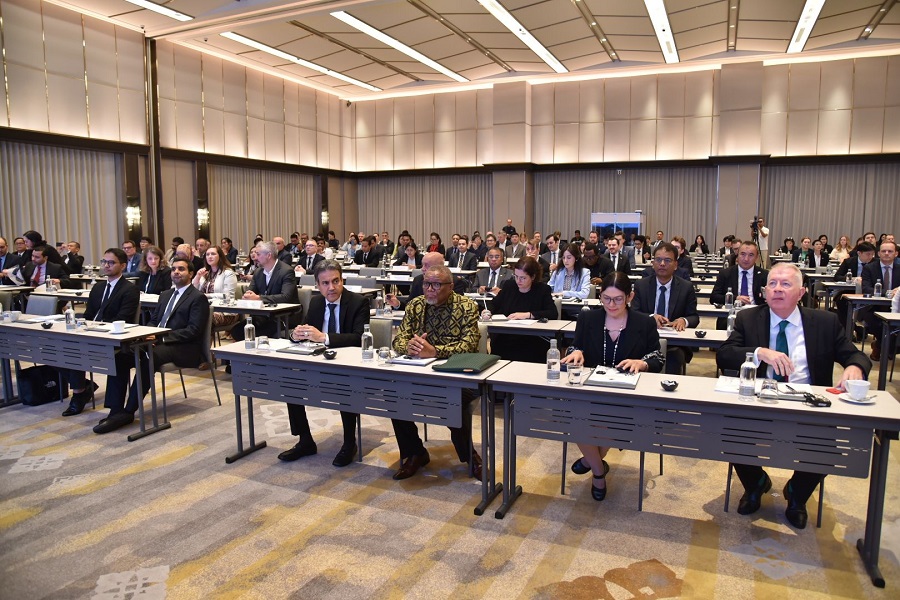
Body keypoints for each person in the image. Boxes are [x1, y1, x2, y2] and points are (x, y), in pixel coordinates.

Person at [717, 262, 870, 529]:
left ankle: (797, 493)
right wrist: (760, 353)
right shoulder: (748, 318)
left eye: (786, 284)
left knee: (827, 446)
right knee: (730, 431)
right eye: (772, 284)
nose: (777, 289)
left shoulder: (824, 322)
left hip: (808, 403)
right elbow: (725, 354)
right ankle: (755, 484)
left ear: (801, 293)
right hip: (759, 400)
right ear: (764, 292)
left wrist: (855, 367)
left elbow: (855, 355)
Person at [562, 272, 664, 501]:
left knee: (609, 419)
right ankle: (599, 470)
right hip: (591, 389)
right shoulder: (588, 318)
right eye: (606, 298)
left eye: (618, 299)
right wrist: (576, 352)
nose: (611, 304)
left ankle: (591, 463)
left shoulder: (644, 322)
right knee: (576, 416)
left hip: (626, 394)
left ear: (630, 297)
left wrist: (642, 363)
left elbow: (658, 357)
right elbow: (575, 346)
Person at [94, 257, 210, 434]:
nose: (176, 272)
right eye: (173, 269)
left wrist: (160, 337)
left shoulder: (197, 297)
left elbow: (193, 331)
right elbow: (154, 320)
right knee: (121, 355)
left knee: (148, 357)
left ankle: (129, 411)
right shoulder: (165, 295)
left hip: (184, 347)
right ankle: (115, 409)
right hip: (156, 342)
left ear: (191, 273)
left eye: (181, 269)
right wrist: (146, 334)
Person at [389, 266, 482, 481]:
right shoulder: (415, 305)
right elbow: (398, 340)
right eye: (426, 284)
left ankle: (470, 456)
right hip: (421, 373)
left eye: (436, 285)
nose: (429, 289)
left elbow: (469, 345)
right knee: (395, 395)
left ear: (450, 287)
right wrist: (409, 347)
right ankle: (415, 453)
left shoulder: (466, 306)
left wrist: (435, 351)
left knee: (452, 399)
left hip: (458, 375)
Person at [280, 260, 370, 467]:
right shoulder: (317, 302)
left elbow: (359, 338)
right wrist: (296, 335)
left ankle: (349, 443)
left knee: (344, 385)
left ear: (342, 280)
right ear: (318, 286)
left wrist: (324, 337)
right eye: (325, 283)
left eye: (335, 281)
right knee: (291, 382)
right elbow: (308, 331)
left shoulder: (358, 302)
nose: (331, 287)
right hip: (320, 361)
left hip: (349, 365)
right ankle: (305, 440)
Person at [59, 248, 141, 417]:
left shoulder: (129, 289)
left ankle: (81, 395)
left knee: (80, 350)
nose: (106, 266)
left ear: (123, 266)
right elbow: (89, 314)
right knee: (57, 349)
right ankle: (82, 388)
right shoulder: (98, 287)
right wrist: (82, 324)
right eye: (104, 262)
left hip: (113, 338)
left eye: (111, 262)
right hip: (91, 332)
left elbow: (123, 319)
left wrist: (95, 329)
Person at [632, 242, 700, 374]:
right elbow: (634, 312)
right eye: (658, 260)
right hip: (644, 340)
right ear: (653, 263)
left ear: (675, 265)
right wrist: (651, 317)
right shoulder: (641, 285)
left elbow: (694, 317)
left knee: (674, 360)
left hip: (674, 344)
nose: (662, 264)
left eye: (667, 260)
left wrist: (683, 320)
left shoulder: (686, 287)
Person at [489, 257, 557, 363]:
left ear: (533, 277)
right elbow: (493, 304)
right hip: (507, 336)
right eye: (516, 276)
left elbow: (553, 313)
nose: (518, 281)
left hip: (532, 338)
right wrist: (487, 312)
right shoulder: (509, 286)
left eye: (523, 278)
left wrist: (528, 315)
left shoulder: (542, 290)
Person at [231, 241, 300, 341]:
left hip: (282, 317)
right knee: (237, 331)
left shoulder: (286, 271)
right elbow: (250, 292)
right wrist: (247, 296)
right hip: (262, 316)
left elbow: (286, 297)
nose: (255, 257)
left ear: (268, 255)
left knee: (253, 334)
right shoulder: (258, 272)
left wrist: (259, 298)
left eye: (258, 254)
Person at [710, 241, 768, 327]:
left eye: (751, 255)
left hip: (757, 317)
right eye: (743, 254)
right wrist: (735, 298)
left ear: (757, 257)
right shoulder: (725, 273)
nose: (746, 259)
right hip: (731, 316)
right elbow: (713, 298)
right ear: (737, 255)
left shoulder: (764, 275)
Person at [386, 252, 467, 311]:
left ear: (439, 267)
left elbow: (458, 307)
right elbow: (410, 305)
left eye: (427, 265)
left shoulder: (454, 281)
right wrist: (397, 304)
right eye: (422, 265)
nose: (422, 269)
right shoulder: (418, 280)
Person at [861, 241, 900, 359]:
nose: (886, 253)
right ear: (878, 254)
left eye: (890, 251)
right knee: (877, 324)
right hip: (873, 307)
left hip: (896, 307)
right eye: (883, 251)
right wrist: (889, 292)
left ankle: (879, 345)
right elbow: (866, 288)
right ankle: (886, 346)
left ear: (896, 254)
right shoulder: (869, 268)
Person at [193, 245, 239, 327]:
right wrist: (197, 277)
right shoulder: (205, 273)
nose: (210, 256)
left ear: (220, 256)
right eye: (207, 254)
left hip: (226, 312)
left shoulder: (228, 273)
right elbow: (193, 292)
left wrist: (206, 296)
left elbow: (227, 296)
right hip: (205, 309)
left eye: (213, 254)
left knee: (202, 317)